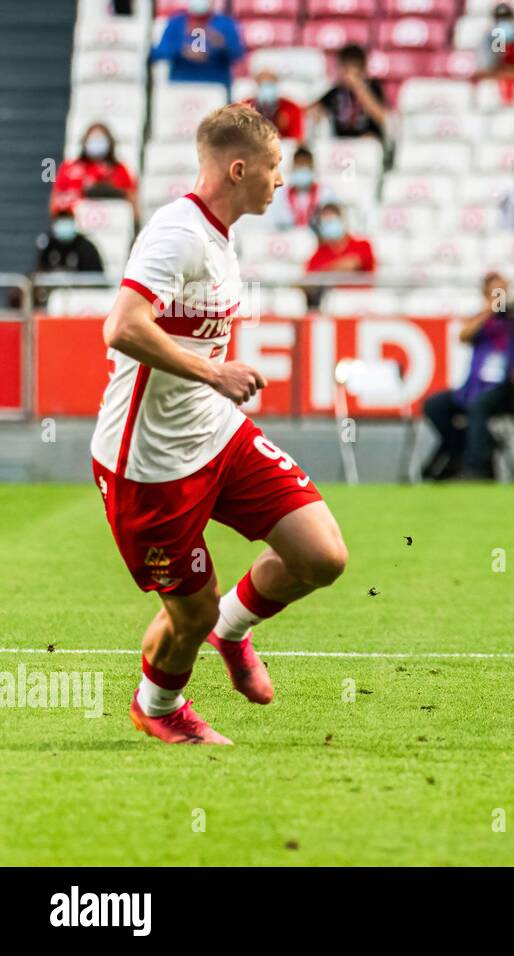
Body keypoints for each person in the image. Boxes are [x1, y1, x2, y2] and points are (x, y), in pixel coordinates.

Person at [92, 104, 347, 745]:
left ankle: (231, 630)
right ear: (240, 168)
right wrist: (214, 374)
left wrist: (216, 373)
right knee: (188, 612)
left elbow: (188, 338)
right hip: (148, 465)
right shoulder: (177, 233)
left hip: (215, 433)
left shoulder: (221, 237)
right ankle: (158, 706)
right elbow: (121, 326)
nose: (280, 181)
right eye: (273, 167)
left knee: (322, 556)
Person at [421, 273, 514, 481]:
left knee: (479, 406)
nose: (500, 298)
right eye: (495, 293)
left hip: (508, 388)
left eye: (503, 292)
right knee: (434, 405)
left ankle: (477, 469)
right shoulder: (483, 320)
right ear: (486, 295)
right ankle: (470, 445)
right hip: (475, 386)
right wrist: (488, 313)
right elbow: (463, 336)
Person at [150, 0, 246, 94]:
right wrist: (182, 51)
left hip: (216, 87)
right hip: (181, 86)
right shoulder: (176, 23)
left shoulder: (225, 24)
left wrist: (222, 45)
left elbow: (238, 54)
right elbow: (158, 53)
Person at [51, 123, 138, 218]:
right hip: (74, 222)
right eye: (92, 139)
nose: (96, 143)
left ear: (109, 143)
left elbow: (132, 200)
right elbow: (55, 199)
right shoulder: (68, 168)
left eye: (100, 140)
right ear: (85, 142)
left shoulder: (119, 169)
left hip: (113, 224)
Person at [31, 203, 105, 308]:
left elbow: (96, 277)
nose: (64, 222)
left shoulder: (85, 246)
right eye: (61, 219)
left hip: (81, 298)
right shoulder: (47, 244)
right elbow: (39, 271)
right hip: (51, 296)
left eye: (67, 218)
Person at [304, 203, 376, 307]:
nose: (329, 225)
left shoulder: (363, 245)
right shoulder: (320, 252)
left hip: (365, 303)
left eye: (331, 221)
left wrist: (325, 273)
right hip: (333, 307)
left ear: (342, 220)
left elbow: (353, 264)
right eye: (325, 223)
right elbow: (309, 281)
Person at [313, 45, 387, 140]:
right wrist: (317, 112)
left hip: (367, 141)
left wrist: (359, 89)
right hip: (340, 143)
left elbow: (382, 118)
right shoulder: (336, 91)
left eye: (351, 71)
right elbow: (316, 108)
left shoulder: (373, 88)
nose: (347, 76)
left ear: (362, 71)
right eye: (344, 70)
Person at [267, 146, 335, 230]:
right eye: (299, 166)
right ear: (292, 168)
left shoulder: (325, 193)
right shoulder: (280, 195)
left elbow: (332, 222)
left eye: (305, 166)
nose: (302, 169)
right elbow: (272, 225)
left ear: (312, 168)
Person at [243, 69, 305, 141]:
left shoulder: (292, 108)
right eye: (262, 85)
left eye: (270, 84)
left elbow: (297, 140)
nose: (266, 89)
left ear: (276, 85)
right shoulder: (244, 107)